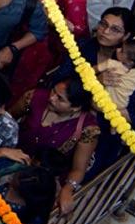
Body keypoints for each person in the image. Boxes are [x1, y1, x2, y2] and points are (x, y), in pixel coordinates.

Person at [9, 76, 100, 213]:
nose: (52, 98)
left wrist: (68, 189)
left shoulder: (88, 130)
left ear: (75, 108)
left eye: (60, 99)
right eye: (53, 91)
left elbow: (78, 169)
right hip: (11, 161)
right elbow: (9, 118)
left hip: (40, 182)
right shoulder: (34, 97)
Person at [96, 39, 135, 118]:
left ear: (130, 62)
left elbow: (93, 70)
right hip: (121, 105)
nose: (118, 49)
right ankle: (114, 127)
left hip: (104, 99)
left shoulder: (111, 63)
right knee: (117, 120)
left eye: (121, 51)